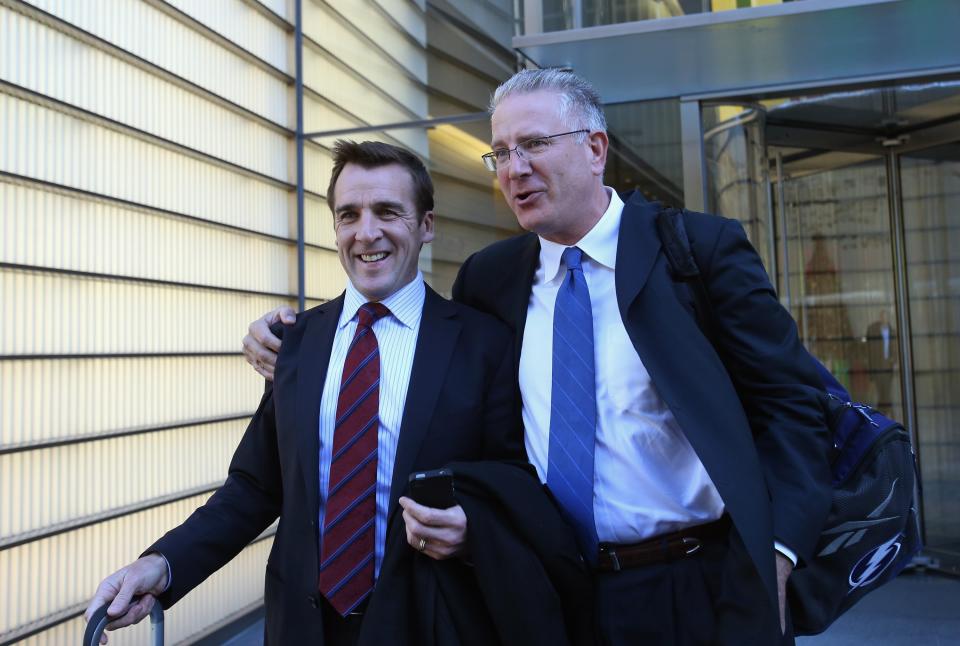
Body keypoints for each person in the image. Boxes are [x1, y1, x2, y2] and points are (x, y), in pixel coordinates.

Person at [244, 69, 833, 645]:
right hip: (543, 588)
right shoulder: (491, 278)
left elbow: (792, 407)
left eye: (534, 145)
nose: (514, 169)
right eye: (500, 152)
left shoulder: (698, 251)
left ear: (595, 148)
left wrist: (776, 555)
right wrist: (286, 334)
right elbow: (443, 387)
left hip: (690, 584)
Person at [84, 141, 529, 645]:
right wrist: (161, 566)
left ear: (426, 225)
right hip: (303, 628)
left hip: (430, 624)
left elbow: (515, 485)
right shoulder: (294, 343)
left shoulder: (483, 345)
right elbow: (255, 487)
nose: (367, 232)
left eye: (388, 212)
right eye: (349, 215)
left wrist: (473, 532)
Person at [865, 309, 898, 411]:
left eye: (886, 317)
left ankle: (884, 413)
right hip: (878, 366)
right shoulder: (874, 331)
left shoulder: (892, 332)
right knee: (881, 392)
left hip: (888, 366)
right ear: (880, 318)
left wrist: (894, 360)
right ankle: (885, 413)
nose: (884, 319)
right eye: (882, 317)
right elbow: (870, 351)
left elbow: (895, 348)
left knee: (886, 392)